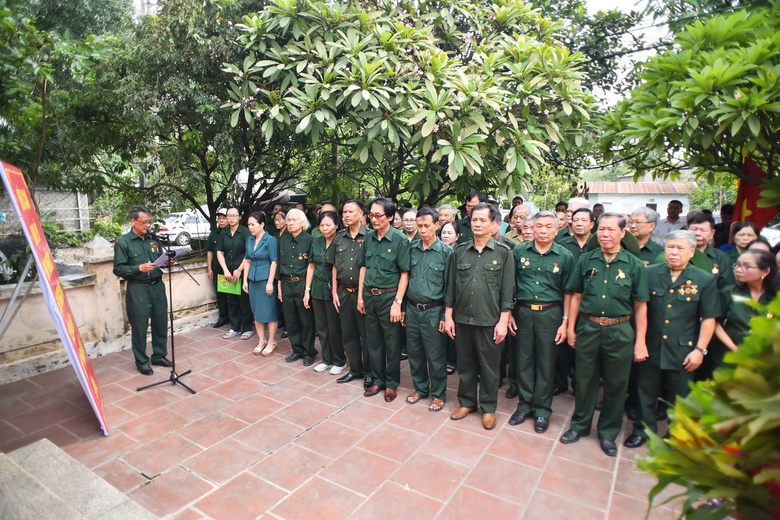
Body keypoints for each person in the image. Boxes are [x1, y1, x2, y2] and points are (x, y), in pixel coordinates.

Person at [561, 212, 649, 457]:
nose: (605, 234)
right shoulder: (587, 260)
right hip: (588, 327)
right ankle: (579, 425)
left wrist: (640, 341)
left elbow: (641, 306)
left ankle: (608, 433)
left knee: (616, 383)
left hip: (620, 329)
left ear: (623, 233)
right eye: (601, 229)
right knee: (584, 380)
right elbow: (575, 295)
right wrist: (570, 328)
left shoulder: (634, 266)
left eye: (611, 230)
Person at [624, 231, 720, 449]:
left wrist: (700, 350)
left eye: (680, 248)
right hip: (651, 345)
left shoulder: (703, 279)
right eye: (670, 247)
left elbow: (709, 319)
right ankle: (642, 430)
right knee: (644, 391)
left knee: (680, 396)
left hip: (683, 349)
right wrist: (639, 342)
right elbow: (639, 308)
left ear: (692, 252)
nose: (674, 252)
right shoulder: (649, 273)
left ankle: (675, 436)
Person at [444, 203, 515, 430]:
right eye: (474, 220)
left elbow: (507, 291)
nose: (477, 224)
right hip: (463, 318)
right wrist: (448, 316)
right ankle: (466, 403)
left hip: (489, 320)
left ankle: (488, 407)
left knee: (490, 368)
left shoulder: (504, 253)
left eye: (482, 220)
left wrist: (503, 322)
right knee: (465, 365)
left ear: (494, 224)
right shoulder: (460, 251)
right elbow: (451, 287)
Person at [508, 211, 574, 433]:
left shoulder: (565, 256)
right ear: (532, 228)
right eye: (539, 226)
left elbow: (569, 292)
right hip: (523, 312)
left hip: (551, 314)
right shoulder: (519, 251)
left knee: (546, 363)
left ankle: (542, 411)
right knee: (523, 361)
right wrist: (508, 313)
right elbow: (510, 285)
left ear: (557, 230)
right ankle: (524, 405)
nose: (543, 230)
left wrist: (565, 322)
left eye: (548, 226)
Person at [358, 198, 410, 402]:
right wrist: (361, 296)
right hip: (370, 296)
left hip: (389, 297)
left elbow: (405, 273)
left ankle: (391, 384)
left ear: (390, 216)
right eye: (371, 215)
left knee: (392, 343)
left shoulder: (400, 240)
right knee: (373, 342)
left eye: (378, 215)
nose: (374, 219)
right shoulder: (369, 238)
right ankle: (378, 380)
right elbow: (363, 267)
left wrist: (398, 303)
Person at [112, 206, 173, 375]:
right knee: (139, 326)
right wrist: (138, 268)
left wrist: (166, 262)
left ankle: (159, 355)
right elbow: (118, 269)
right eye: (144, 222)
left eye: (150, 222)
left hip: (157, 286)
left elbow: (158, 259)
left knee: (160, 322)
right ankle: (142, 361)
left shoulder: (153, 240)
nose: (148, 225)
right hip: (138, 288)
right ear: (133, 221)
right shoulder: (124, 243)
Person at [404, 207, 452, 412]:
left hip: (434, 311)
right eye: (419, 225)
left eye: (427, 226)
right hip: (413, 309)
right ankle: (421, 388)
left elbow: (450, 286)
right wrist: (405, 308)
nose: (422, 230)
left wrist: (445, 315)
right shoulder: (412, 248)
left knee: (436, 356)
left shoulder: (446, 252)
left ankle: (439, 394)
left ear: (436, 225)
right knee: (414, 353)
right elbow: (406, 280)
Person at [712, 249, 778, 370]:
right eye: (737, 265)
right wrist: (734, 348)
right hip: (728, 358)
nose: (738, 269)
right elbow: (715, 323)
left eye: (746, 267)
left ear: (765, 271)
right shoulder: (729, 292)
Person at [330, 200, 372, 387]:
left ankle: (370, 372)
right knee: (349, 334)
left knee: (367, 335)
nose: (346, 215)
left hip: (363, 294)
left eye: (350, 211)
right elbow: (333, 266)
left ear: (361, 213)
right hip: (344, 292)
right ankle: (355, 369)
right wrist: (334, 291)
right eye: (344, 211)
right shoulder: (339, 237)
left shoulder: (370, 237)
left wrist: (363, 296)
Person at [555, 207, 595, 395]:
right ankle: (560, 382)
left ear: (592, 224)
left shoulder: (596, 246)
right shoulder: (562, 244)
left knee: (584, 348)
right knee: (562, 345)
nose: (579, 223)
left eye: (584, 220)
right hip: (564, 301)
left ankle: (581, 385)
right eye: (576, 220)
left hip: (588, 304)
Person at [304, 211, 346, 374]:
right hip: (317, 290)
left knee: (334, 327)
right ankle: (326, 359)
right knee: (321, 327)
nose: (325, 228)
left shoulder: (341, 241)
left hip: (334, 291)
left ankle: (339, 360)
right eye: (321, 225)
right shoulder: (316, 242)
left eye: (328, 224)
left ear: (336, 225)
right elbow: (311, 266)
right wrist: (307, 290)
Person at [277, 208, 316, 365]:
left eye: (294, 220)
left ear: (302, 222)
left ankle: (309, 351)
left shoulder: (310, 240)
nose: (290, 222)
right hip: (286, 284)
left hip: (301, 283)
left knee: (306, 320)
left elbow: (311, 266)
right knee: (291, 320)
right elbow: (279, 265)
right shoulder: (283, 241)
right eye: (288, 220)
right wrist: (279, 287)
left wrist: (307, 289)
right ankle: (297, 350)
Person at [241, 212, 279, 356]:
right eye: (249, 225)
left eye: (253, 224)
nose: (250, 227)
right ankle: (261, 340)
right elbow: (247, 260)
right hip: (253, 280)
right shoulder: (250, 240)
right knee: (256, 311)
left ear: (262, 224)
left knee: (270, 312)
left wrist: (270, 283)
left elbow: (274, 262)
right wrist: (245, 280)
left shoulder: (270, 240)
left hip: (265, 280)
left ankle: (271, 341)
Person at [217, 207, 254, 340]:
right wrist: (226, 270)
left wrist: (239, 269)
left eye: (234, 216)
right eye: (229, 216)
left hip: (243, 270)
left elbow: (248, 253)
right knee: (231, 300)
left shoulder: (245, 232)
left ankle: (248, 328)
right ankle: (235, 327)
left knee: (244, 300)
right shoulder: (223, 233)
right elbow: (219, 252)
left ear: (239, 217)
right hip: (228, 271)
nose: (231, 218)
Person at [206, 208, 230, 328]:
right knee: (220, 295)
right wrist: (209, 268)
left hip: (231, 269)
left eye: (223, 218)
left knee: (232, 295)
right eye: (219, 218)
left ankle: (234, 317)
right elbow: (210, 251)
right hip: (217, 269)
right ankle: (223, 317)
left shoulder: (232, 232)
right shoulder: (214, 233)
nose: (221, 220)